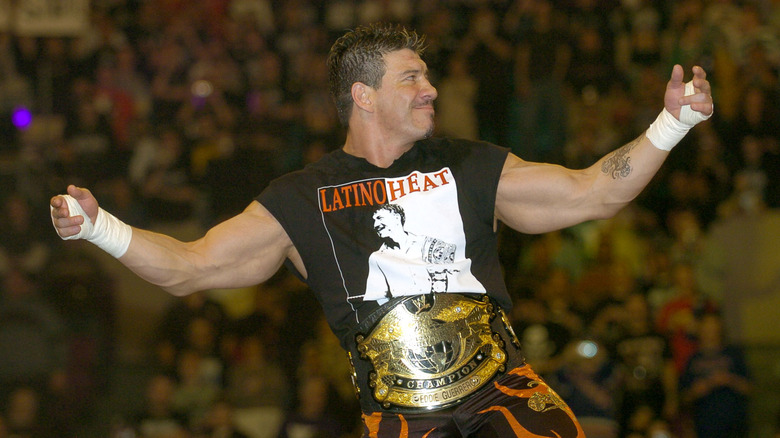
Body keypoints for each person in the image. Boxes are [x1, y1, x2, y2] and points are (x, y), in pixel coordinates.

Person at [50, 23, 713, 438]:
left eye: (426, 75)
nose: (430, 89)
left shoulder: (468, 164)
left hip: (504, 401)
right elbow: (189, 268)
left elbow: (594, 192)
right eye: (411, 77)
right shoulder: (302, 198)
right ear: (362, 96)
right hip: (401, 422)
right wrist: (99, 227)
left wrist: (671, 124)